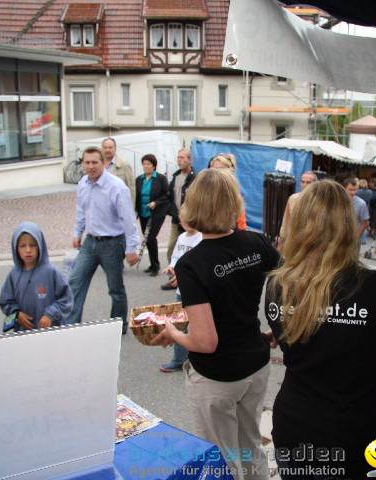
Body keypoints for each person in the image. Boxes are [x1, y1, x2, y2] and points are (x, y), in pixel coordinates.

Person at [265, 180, 376, 478]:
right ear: (348, 225)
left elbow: (303, 336)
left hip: (295, 430)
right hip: (359, 441)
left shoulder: (278, 284)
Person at [153, 168, 280, 480]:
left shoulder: (191, 264)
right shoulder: (257, 242)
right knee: (250, 444)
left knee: (222, 459)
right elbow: (294, 285)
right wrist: (280, 330)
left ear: (193, 206)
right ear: (234, 202)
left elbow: (205, 341)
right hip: (256, 365)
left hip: (217, 377)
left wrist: (172, 332)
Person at [65, 147, 140, 331]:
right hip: (90, 242)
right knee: (75, 282)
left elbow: (128, 219)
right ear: (82, 163)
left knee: (115, 289)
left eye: (94, 162)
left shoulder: (116, 186)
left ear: (103, 163)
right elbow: (81, 211)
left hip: (112, 244)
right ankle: (70, 325)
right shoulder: (83, 183)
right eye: (87, 162)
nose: (90, 166)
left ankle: (118, 324)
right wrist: (77, 233)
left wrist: (132, 248)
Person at [0, 221, 73, 331]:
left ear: (40, 246)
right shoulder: (13, 274)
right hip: (23, 332)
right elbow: (5, 301)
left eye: (33, 245)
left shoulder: (51, 272)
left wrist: (50, 314)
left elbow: (66, 299)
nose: (28, 250)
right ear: (16, 248)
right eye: (22, 246)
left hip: (51, 332)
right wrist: (16, 314)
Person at [159, 219, 202, 373]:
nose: (187, 222)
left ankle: (199, 360)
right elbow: (176, 258)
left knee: (198, 326)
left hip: (196, 292)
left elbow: (199, 264)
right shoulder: (182, 237)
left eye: (191, 218)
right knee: (178, 325)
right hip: (180, 292)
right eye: (183, 219)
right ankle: (178, 360)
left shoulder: (201, 238)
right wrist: (171, 267)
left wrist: (184, 275)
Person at [163, 147, 196, 289]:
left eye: (183, 158)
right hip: (177, 220)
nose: (180, 160)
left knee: (191, 250)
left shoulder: (195, 177)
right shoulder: (175, 176)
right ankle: (173, 278)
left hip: (190, 221)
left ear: (190, 160)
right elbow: (169, 197)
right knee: (172, 248)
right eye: (178, 158)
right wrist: (172, 212)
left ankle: (187, 278)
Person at [135, 153, 170, 276]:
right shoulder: (139, 179)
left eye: (148, 164)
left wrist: (156, 202)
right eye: (144, 164)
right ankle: (152, 264)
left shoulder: (160, 178)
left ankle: (156, 266)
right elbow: (136, 196)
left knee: (150, 238)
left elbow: (167, 195)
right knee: (146, 238)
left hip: (157, 213)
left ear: (154, 166)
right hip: (143, 213)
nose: (145, 166)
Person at [277, 170, 317, 253]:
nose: (305, 185)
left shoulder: (320, 201)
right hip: (294, 244)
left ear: (315, 184)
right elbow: (285, 225)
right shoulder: (293, 199)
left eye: (308, 183)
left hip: (313, 246)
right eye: (303, 182)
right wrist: (279, 248)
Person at [209, 153, 247, 230]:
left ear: (230, 170)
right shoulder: (207, 189)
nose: (217, 172)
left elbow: (241, 221)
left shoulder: (233, 191)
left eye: (220, 169)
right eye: (214, 169)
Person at [102, 137, 136, 203]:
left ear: (115, 149)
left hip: (118, 204)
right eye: (105, 147)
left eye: (110, 147)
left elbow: (131, 188)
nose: (107, 150)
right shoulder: (98, 165)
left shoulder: (124, 165)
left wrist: (131, 208)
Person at [342, 177, 369, 252]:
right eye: (350, 190)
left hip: (352, 239)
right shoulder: (338, 201)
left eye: (355, 190)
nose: (353, 193)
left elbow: (365, 223)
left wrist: (356, 238)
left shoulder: (361, 204)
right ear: (344, 188)